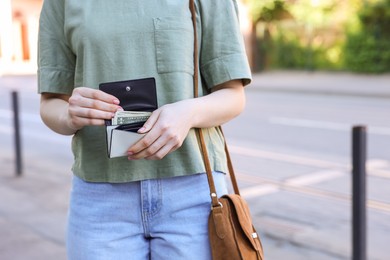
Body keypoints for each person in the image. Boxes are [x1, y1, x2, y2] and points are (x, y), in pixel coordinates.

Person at [38, 0, 251, 259]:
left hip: (192, 191)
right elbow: (51, 103)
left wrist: (187, 114)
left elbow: (233, 95)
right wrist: (69, 115)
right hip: (100, 198)